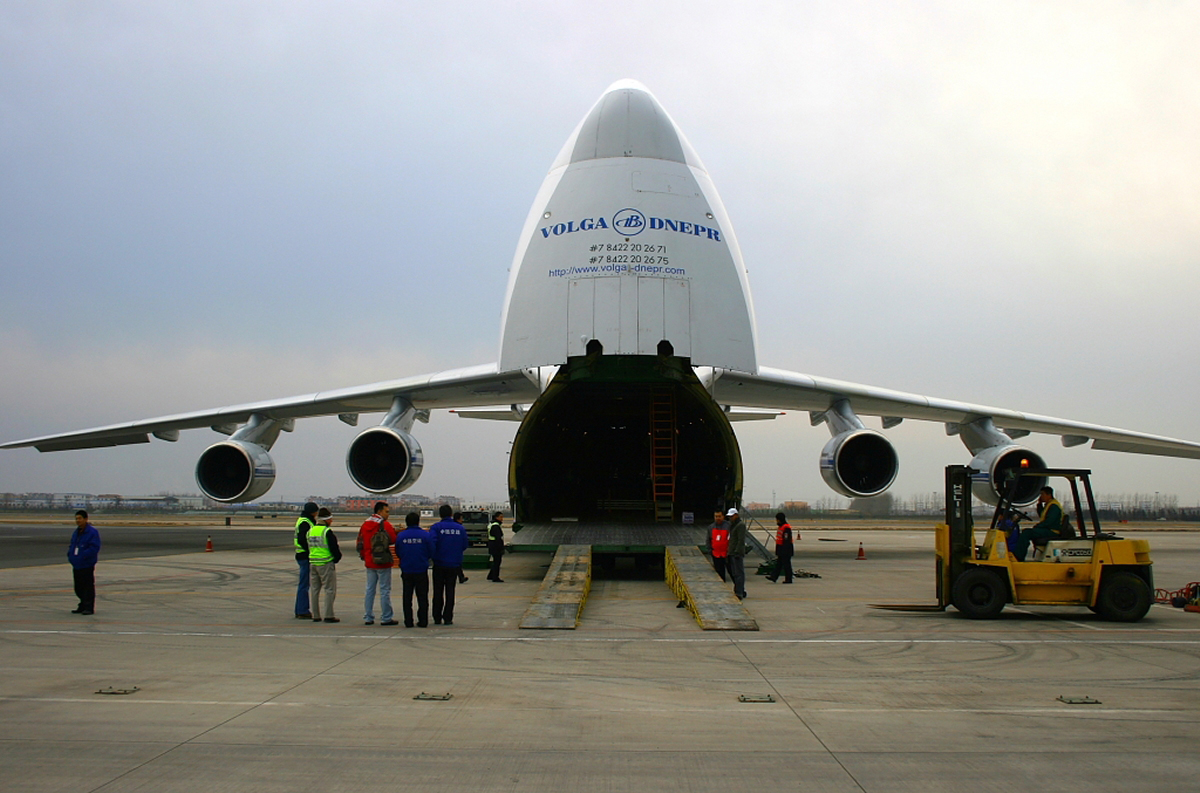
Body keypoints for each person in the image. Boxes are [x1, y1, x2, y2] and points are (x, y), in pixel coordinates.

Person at [357, 501, 398, 626]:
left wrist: (364, 556)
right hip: (382, 561)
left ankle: (368, 616)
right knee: (384, 590)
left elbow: (360, 542)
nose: (388, 514)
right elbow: (393, 539)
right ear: (379, 511)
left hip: (370, 561)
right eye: (387, 512)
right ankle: (386, 617)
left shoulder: (365, 524)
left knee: (370, 589)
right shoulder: (384, 524)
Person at [430, 504, 469, 625]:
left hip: (439, 564)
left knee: (438, 591)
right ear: (451, 514)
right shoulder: (460, 528)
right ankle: (448, 617)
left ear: (440, 514)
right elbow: (465, 545)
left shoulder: (436, 527)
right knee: (450, 591)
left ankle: (437, 617)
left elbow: (431, 544)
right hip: (453, 564)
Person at [396, 511, 434, 627]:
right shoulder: (425, 535)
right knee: (422, 597)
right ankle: (423, 620)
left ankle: (408, 621)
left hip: (407, 569)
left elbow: (398, 551)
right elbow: (431, 550)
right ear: (418, 522)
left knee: (407, 597)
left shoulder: (401, 536)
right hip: (421, 569)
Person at [308, 507, 342, 622]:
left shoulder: (311, 530)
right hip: (325, 563)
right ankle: (328, 615)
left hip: (313, 562)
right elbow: (334, 548)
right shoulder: (326, 532)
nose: (331, 521)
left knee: (314, 590)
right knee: (329, 590)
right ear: (326, 519)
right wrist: (336, 559)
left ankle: (315, 615)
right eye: (330, 519)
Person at [1015, 487, 1065, 561]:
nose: (1041, 496)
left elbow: (1049, 521)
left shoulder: (1054, 506)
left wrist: (1037, 526)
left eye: (1042, 494)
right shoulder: (1049, 505)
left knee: (1026, 533)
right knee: (1028, 532)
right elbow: (1042, 515)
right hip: (1048, 529)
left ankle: (1018, 557)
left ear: (1049, 495)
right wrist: (1039, 504)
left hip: (1052, 531)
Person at [68, 510, 101, 615]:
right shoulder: (76, 532)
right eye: (76, 519)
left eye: (80, 518)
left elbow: (94, 547)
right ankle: (82, 604)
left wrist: (83, 556)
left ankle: (89, 607)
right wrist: (71, 556)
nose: (78, 521)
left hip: (87, 564)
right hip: (77, 564)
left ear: (86, 519)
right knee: (78, 587)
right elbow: (72, 545)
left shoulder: (92, 532)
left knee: (87, 586)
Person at [293, 502, 318, 619]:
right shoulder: (305, 522)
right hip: (304, 556)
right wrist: (310, 551)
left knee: (305, 584)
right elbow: (303, 540)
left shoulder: (304, 520)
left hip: (302, 555)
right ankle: (302, 610)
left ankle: (301, 609)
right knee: (304, 584)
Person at [726, 507, 748, 599]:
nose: (730, 518)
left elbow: (740, 540)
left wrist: (737, 552)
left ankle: (739, 592)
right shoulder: (733, 525)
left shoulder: (740, 525)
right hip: (731, 552)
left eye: (731, 516)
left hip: (736, 553)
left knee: (739, 573)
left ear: (736, 515)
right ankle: (740, 590)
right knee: (734, 573)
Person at [766, 511, 794, 583]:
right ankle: (774, 577)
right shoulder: (781, 527)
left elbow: (786, 540)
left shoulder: (786, 528)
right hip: (781, 548)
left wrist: (784, 550)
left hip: (785, 549)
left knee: (786, 565)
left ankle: (789, 579)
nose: (776, 521)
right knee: (779, 564)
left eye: (777, 519)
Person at [705, 510, 730, 582]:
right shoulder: (711, 527)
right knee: (718, 570)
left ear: (723, 517)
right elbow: (708, 539)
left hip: (726, 554)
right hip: (715, 553)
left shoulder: (729, 526)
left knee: (730, 570)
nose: (718, 518)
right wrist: (710, 550)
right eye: (716, 516)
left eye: (719, 516)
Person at [486, 511, 505, 582]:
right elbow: (498, 538)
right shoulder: (496, 526)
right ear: (496, 517)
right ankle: (495, 577)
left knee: (495, 561)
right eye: (501, 517)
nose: (502, 519)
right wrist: (501, 548)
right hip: (495, 545)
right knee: (497, 561)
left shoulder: (492, 524)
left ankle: (491, 575)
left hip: (491, 544)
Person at [452, 511, 469, 583]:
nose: (462, 520)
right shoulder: (460, 528)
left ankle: (461, 577)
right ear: (458, 519)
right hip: (456, 550)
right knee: (457, 564)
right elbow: (465, 541)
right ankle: (460, 577)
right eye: (461, 518)